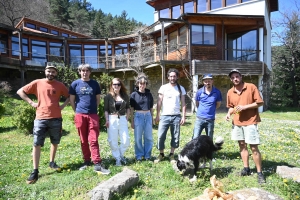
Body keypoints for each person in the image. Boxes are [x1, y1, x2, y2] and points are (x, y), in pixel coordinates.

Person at [16, 62, 69, 184]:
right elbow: (20, 91)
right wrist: (31, 102)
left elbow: (69, 96)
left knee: (55, 142)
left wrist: (63, 106)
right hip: (40, 118)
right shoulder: (37, 83)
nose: (51, 73)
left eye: (53, 71)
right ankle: (35, 171)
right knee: (36, 144)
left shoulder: (60, 85)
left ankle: (52, 162)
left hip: (56, 118)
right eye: (49, 71)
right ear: (45, 71)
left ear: (56, 73)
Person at [225, 69, 266, 184]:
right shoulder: (230, 92)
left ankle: (259, 173)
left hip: (251, 122)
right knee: (242, 146)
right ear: (231, 79)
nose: (235, 79)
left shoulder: (251, 87)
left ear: (241, 77)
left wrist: (244, 107)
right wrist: (229, 114)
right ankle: (246, 168)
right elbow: (231, 107)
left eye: (237, 76)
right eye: (233, 78)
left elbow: (260, 102)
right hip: (237, 123)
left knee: (254, 148)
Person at [69, 64, 110, 174]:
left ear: (90, 72)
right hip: (80, 115)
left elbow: (97, 99)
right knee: (83, 140)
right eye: (83, 70)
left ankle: (97, 162)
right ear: (80, 72)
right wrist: (76, 111)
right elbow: (72, 100)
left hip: (92, 115)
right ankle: (86, 161)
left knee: (93, 139)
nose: (85, 72)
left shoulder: (94, 84)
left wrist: (93, 110)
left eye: (87, 70)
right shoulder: (75, 84)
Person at [154, 68, 186, 164]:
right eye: (171, 76)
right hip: (164, 116)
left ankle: (172, 154)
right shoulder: (163, 88)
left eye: (174, 76)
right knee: (160, 136)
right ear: (168, 77)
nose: (172, 78)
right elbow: (159, 102)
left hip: (176, 116)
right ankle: (161, 154)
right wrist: (157, 115)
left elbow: (183, 103)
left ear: (177, 77)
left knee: (175, 136)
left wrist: (183, 116)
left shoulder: (181, 88)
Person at [104, 78, 130, 166]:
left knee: (126, 140)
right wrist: (107, 120)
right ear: (111, 85)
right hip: (112, 119)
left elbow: (128, 108)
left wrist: (127, 117)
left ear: (120, 85)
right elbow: (106, 110)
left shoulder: (125, 95)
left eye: (118, 84)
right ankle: (118, 159)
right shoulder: (108, 96)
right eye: (114, 84)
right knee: (112, 140)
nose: (116, 86)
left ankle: (120, 155)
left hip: (122, 118)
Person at [130, 74, 154, 161]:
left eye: (144, 83)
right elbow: (131, 109)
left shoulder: (149, 94)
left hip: (148, 116)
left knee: (148, 137)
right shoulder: (133, 94)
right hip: (138, 116)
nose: (142, 85)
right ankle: (139, 155)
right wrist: (132, 121)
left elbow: (151, 108)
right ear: (137, 84)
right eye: (140, 83)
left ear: (146, 84)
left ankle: (147, 155)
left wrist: (152, 118)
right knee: (138, 137)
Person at [192, 74, 222, 139]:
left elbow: (218, 104)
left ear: (212, 81)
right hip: (199, 118)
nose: (207, 83)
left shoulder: (217, 92)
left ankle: (209, 149)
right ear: (203, 82)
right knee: (195, 138)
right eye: (206, 81)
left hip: (210, 119)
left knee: (209, 139)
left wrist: (211, 109)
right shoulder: (199, 92)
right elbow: (197, 104)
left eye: (209, 81)